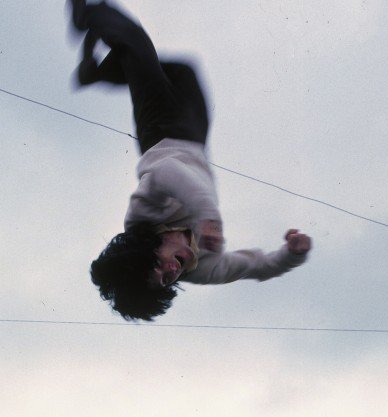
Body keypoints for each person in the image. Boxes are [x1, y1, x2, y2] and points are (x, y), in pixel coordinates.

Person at [69, 0, 312, 321]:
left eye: (157, 265)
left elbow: (168, 171)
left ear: (146, 248)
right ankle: (95, 73)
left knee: (135, 46)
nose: (171, 269)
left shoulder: (143, 217)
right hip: (193, 136)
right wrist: (292, 255)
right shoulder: (202, 269)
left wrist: (207, 216)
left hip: (158, 130)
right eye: (166, 279)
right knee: (184, 71)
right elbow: (255, 267)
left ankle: (86, 14)